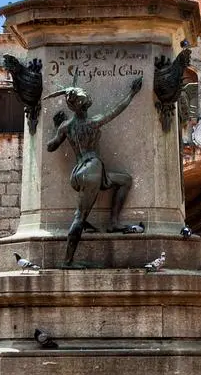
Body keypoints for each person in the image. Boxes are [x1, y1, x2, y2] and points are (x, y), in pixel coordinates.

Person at [45, 76, 143, 265]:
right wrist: (132, 93)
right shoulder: (93, 122)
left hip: (80, 172)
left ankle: (113, 222)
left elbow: (51, 146)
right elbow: (116, 110)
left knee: (125, 180)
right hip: (92, 169)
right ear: (84, 106)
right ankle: (67, 261)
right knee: (80, 217)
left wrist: (58, 129)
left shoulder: (67, 126)